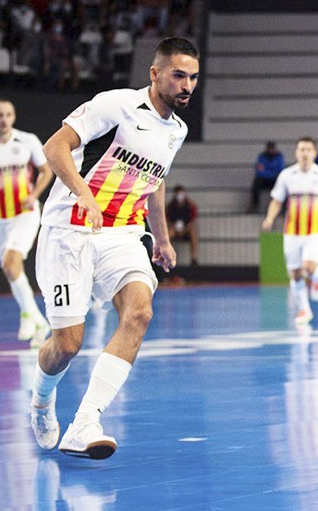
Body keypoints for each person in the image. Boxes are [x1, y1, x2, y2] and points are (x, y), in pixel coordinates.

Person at [29, 37, 200, 460]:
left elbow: (154, 182)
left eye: (194, 77)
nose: (187, 86)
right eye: (179, 75)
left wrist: (160, 238)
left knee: (139, 312)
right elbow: (55, 147)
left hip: (123, 233)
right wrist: (83, 193)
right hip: (70, 229)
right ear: (155, 73)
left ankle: (85, 421)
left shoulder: (177, 130)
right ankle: (41, 401)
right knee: (66, 345)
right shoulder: (116, 105)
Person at [0, 99, 54, 346]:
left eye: (7, 114)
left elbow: (46, 170)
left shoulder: (27, 141)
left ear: (13, 117)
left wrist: (34, 195)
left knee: (11, 261)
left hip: (25, 215)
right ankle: (37, 321)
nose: (3, 119)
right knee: (10, 270)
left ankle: (29, 316)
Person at [262, 137, 318, 325]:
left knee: (308, 266)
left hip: (315, 231)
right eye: (301, 149)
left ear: (314, 153)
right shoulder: (286, 175)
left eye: (308, 150)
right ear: (296, 153)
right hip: (292, 232)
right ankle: (304, 310)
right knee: (295, 273)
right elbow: (277, 201)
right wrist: (269, 218)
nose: (305, 153)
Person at [166, 184, 199, 266]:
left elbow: (192, 222)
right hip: (174, 229)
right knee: (168, 234)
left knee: (193, 233)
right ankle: (168, 258)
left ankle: (193, 258)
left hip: (186, 230)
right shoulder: (170, 206)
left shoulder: (190, 206)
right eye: (178, 194)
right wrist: (174, 228)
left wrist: (184, 230)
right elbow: (168, 220)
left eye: (181, 194)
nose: (179, 196)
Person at [251, 140, 284, 212]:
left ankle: (284, 209)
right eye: (269, 148)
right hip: (264, 180)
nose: (271, 150)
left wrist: (268, 173)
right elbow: (259, 171)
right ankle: (254, 206)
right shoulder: (262, 156)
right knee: (256, 183)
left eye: (272, 148)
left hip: (274, 180)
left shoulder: (279, 156)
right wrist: (271, 174)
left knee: (284, 185)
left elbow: (280, 170)